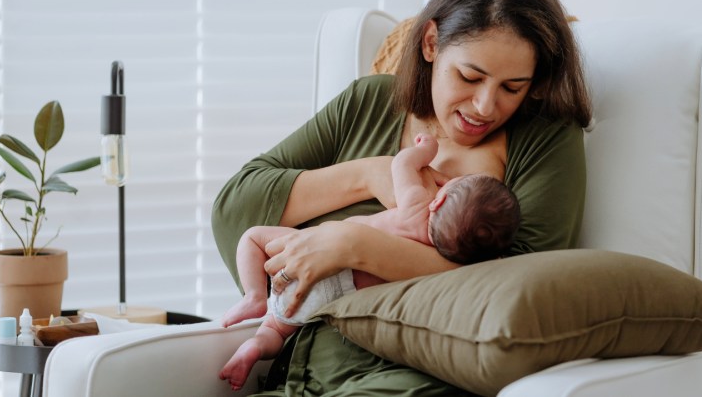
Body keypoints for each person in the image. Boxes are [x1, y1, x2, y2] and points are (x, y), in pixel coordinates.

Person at [212, 0, 591, 396]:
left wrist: (355, 245)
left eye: (512, 87)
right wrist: (370, 175)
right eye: (470, 76)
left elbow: (521, 289)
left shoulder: (545, 139)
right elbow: (234, 210)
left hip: (411, 380)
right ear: (431, 43)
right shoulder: (369, 103)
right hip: (292, 375)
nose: (487, 106)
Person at [218, 133, 520, 390]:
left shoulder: (417, 204)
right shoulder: (446, 259)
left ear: (440, 200)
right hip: (336, 298)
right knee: (275, 330)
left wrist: (426, 149)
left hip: (312, 252)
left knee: (253, 238)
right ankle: (257, 346)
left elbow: (402, 163)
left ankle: (255, 297)